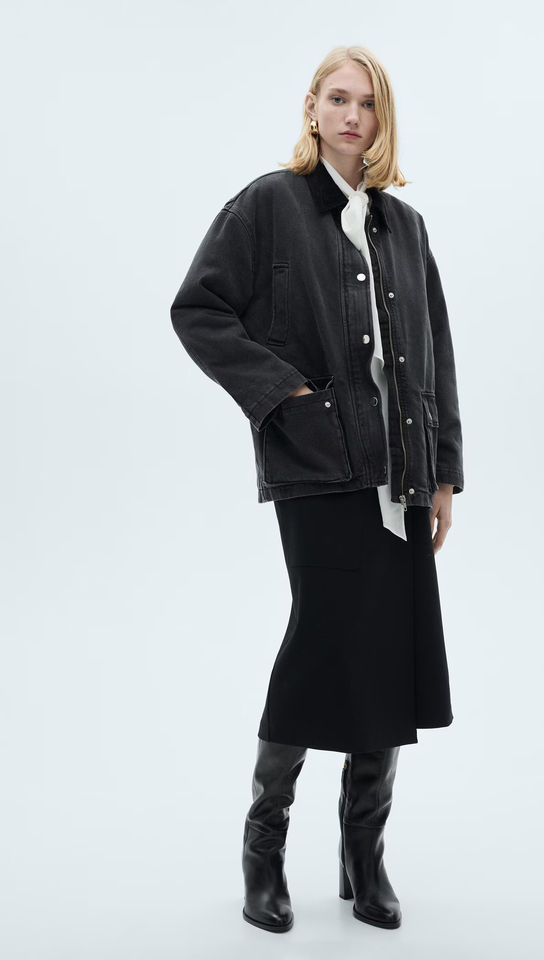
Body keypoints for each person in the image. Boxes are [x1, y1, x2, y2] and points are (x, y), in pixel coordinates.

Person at [170, 45, 465, 934]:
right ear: (311, 108)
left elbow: (437, 351)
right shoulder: (269, 205)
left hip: (401, 473)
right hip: (318, 466)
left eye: (366, 104)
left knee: (391, 654)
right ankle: (264, 846)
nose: (351, 116)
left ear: (381, 120)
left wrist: (443, 471)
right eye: (337, 98)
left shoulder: (405, 227)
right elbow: (199, 309)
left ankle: (362, 853)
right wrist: (285, 395)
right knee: (321, 645)